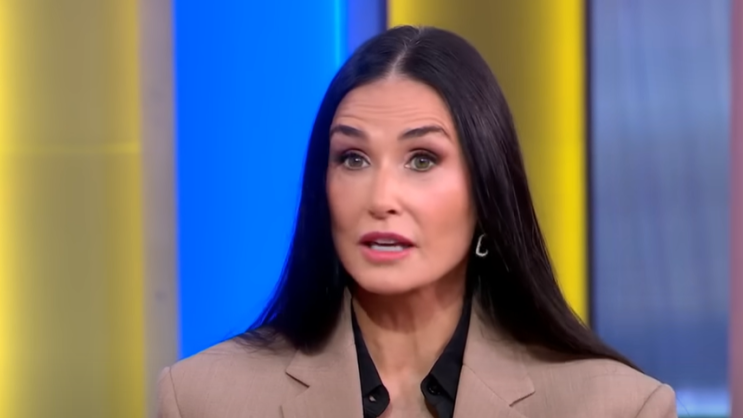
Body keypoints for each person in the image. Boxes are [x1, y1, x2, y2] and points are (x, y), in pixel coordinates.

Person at [158, 26, 677, 418]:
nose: (381, 198)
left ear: (486, 189)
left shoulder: (616, 407)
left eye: (422, 159)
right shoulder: (204, 399)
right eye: (353, 158)